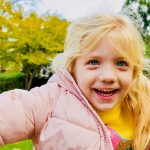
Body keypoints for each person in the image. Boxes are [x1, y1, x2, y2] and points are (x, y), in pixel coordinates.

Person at [0, 11, 150, 150]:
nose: (108, 76)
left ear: (134, 71)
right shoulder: (51, 101)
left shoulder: (143, 99)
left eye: (121, 63)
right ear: (73, 67)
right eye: (94, 62)